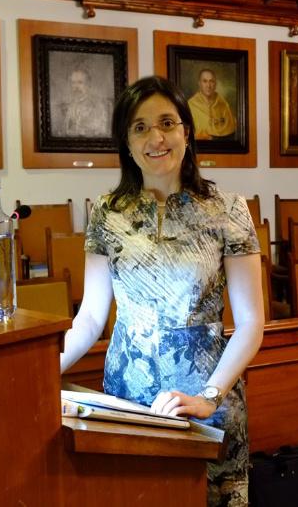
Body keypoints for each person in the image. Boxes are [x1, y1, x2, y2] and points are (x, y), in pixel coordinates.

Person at [59, 76, 264, 506]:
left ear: (186, 132)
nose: (156, 138)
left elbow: (250, 323)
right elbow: (91, 318)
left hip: (206, 405)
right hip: (128, 404)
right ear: (126, 142)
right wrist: (41, 371)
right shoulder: (107, 213)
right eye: (140, 127)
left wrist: (209, 397)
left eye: (167, 123)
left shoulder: (228, 209)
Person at [54, 68, 112, 137]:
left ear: (89, 84)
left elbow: (102, 131)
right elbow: (65, 130)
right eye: (73, 83)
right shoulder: (72, 105)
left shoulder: (98, 104)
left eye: (80, 82)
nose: (76, 87)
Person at [188, 69, 237, 140]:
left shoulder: (223, 104)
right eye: (205, 81)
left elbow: (231, 128)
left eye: (211, 81)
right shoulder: (191, 105)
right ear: (199, 84)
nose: (208, 85)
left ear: (215, 84)